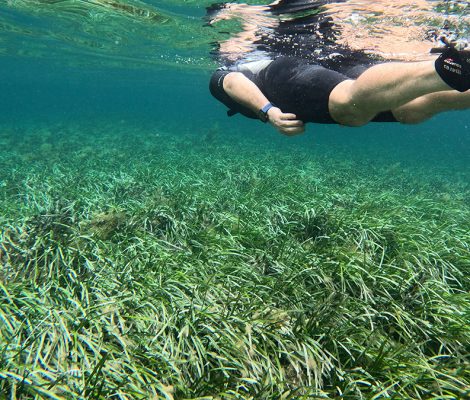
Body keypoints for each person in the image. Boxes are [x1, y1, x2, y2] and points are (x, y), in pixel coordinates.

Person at [208, 1, 470, 135]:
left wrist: (269, 112)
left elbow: (229, 80)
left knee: (350, 108)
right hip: (334, 60)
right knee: (410, 109)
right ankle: (458, 70)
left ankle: (445, 66)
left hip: (282, 71)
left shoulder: (234, 62)